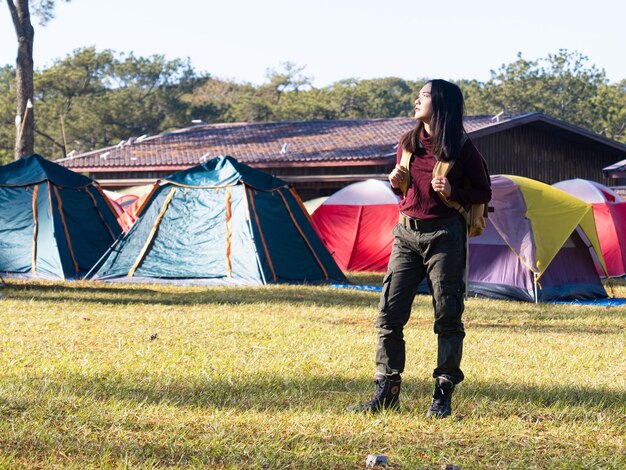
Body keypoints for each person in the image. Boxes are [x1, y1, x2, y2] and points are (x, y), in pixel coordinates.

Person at [350, 79, 492, 418]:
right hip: (406, 234)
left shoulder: (462, 147)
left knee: (447, 315)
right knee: (389, 314)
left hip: (445, 236)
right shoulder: (408, 142)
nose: (417, 100)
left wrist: (454, 189)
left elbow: (484, 192)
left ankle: (442, 394)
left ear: (441, 104)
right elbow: (405, 193)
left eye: (424, 96)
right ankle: (387, 390)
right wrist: (396, 184)